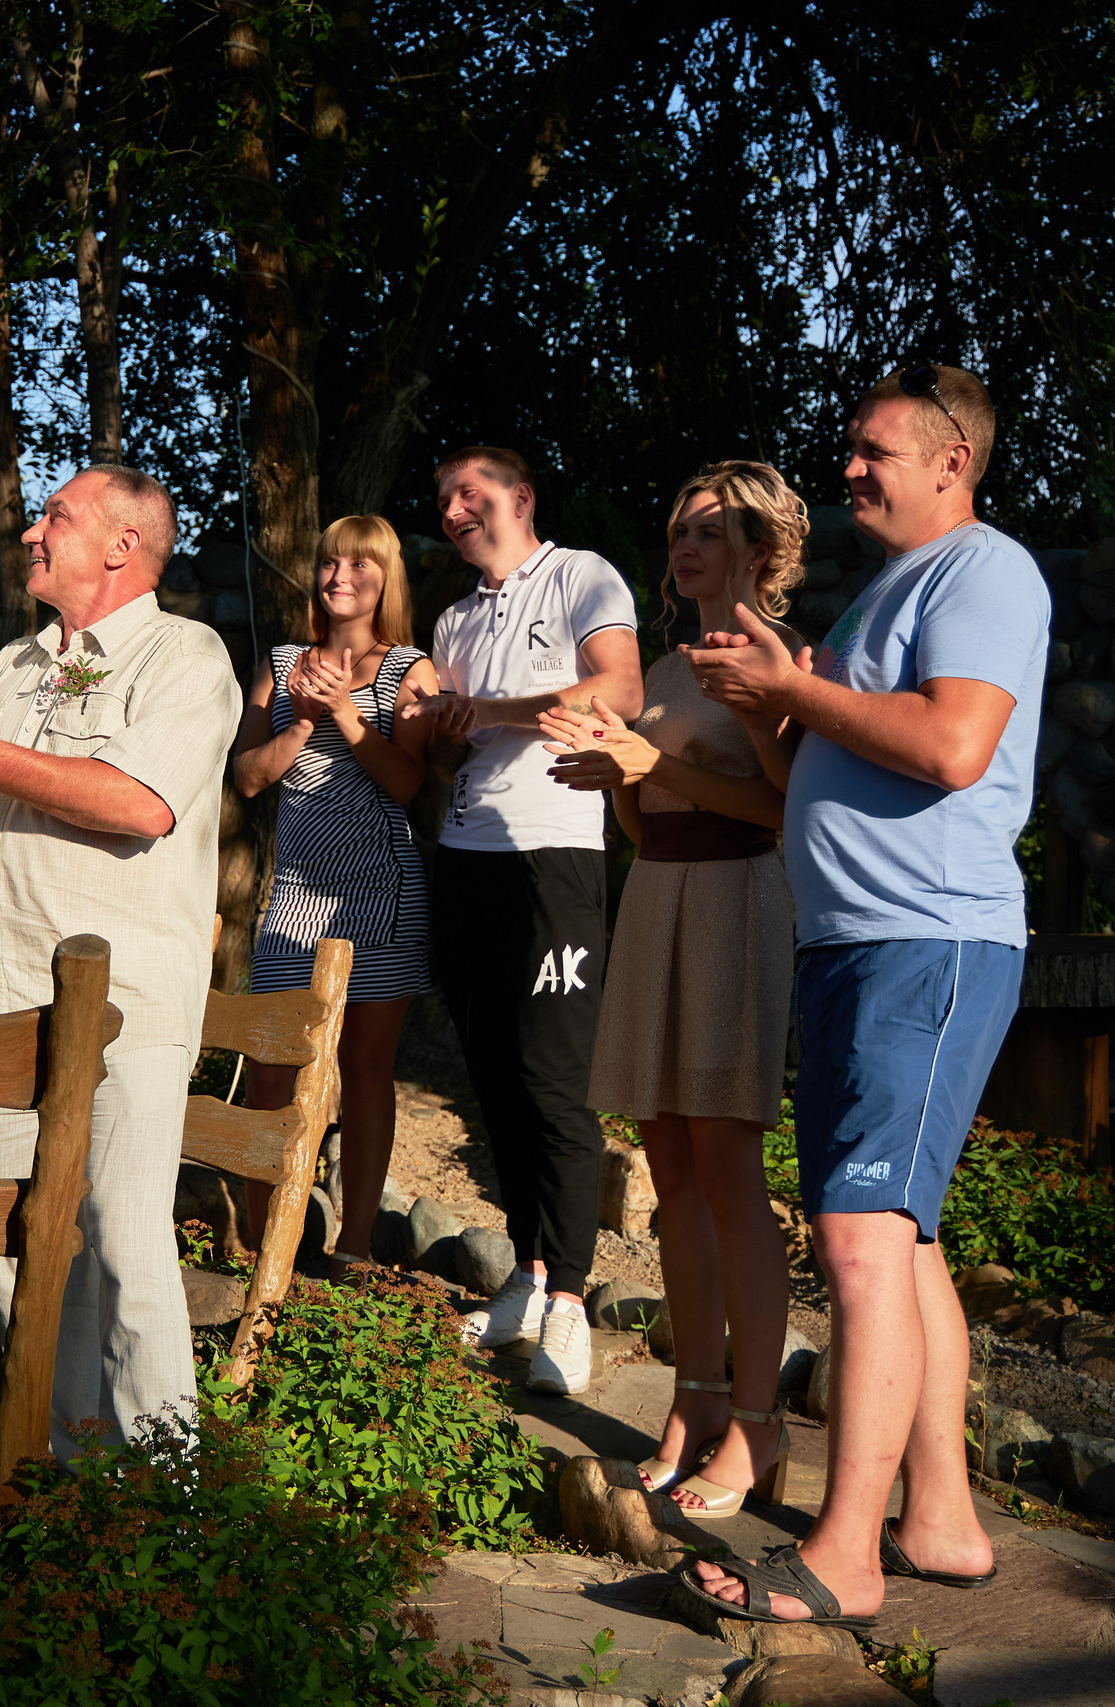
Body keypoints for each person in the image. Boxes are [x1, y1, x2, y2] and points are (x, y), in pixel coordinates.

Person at [680, 364, 1040, 1628]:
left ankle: (843, 1554)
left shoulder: (983, 573)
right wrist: (775, 698)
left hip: (925, 941)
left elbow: (952, 747)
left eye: (872, 451)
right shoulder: (886, 589)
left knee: (858, 1240)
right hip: (852, 944)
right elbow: (817, 770)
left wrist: (795, 691)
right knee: (905, 1240)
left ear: (951, 460)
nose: (848, 470)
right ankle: (938, 1522)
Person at [0, 466, 240, 1460]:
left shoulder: (184, 655)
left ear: (122, 545)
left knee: (121, 1243)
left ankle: (170, 1500)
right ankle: (59, 1474)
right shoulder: (17, 661)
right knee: (23, 1250)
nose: (33, 531)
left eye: (55, 515)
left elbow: (139, 805)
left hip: (116, 1004)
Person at [540, 462, 807, 1516]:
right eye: (675, 530)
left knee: (728, 1164)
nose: (682, 548)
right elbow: (652, 816)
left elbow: (785, 810)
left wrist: (651, 764)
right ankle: (692, 1399)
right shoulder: (663, 662)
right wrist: (620, 784)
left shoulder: (779, 662)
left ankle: (757, 1422)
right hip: (654, 897)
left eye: (706, 530)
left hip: (739, 903)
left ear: (758, 548)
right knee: (667, 1165)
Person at [403, 446, 643, 1396]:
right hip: (468, 857)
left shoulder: (581, 575)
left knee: (554, 1080)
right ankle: (528, 1279)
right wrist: (437, 727)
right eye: (443, 499)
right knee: (493, 1076)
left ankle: (573, 1306)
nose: (456, 508)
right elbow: (447, 751)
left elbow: (618, 690)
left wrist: (485, 711)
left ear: (521, 498)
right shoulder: (454, 618)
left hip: (556, 856)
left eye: (471, 491)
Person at [226, 514, 439, 1273]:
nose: (339, 576)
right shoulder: (281, 664)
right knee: (273, 1070)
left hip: (376, 890)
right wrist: (305, 719)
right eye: (328, 562)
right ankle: (262, 1248)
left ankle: (352, 1247)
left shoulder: (412, 669)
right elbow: (248, 776)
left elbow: (411, 782)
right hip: (293, 900)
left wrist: (347, 716)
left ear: (386, 577)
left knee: (367, 1069)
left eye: (359, 564)